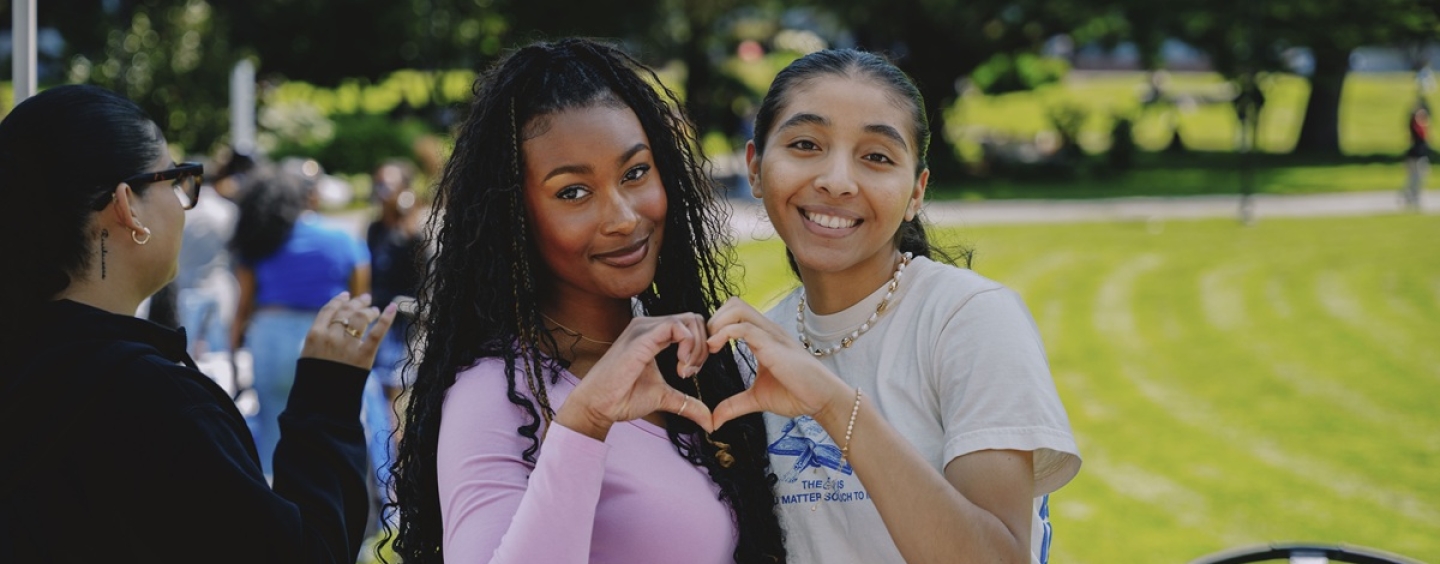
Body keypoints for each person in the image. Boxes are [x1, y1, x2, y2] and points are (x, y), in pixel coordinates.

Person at [387, 38, 785, 564]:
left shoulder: (698, 362)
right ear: (517, 216)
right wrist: (585, 422)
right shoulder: (494, 395)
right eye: (573, 192)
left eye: (635, 173)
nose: (622, 216)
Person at [703, 49, 1082, 564]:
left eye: (877, 156)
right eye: (806, 144)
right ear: (755, 167)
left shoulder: (968, 319)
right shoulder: (756, 350)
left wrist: (832, 404)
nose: (837, 180)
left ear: (916, 192)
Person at [0, 84, 397, 562]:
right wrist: (327, 400)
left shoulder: (30, 361)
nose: (182, 202)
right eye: (175, 180)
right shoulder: (154, 399)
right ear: (127, 206)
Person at [231, 165, 372, 477]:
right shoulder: (343, 237)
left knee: (271, 430)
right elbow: (361, 302)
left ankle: (274, 514)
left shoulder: (261, 239)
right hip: (328, 336)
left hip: (270, 335)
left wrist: (233, 346)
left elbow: (244, 303)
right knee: (336, 426)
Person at [1403, 103, 1430, 210]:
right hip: (1416, 156)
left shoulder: (1421, 127)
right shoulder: (1415, 126)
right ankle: (1412, 197)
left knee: (1416, 177)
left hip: (1419, 155)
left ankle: (1409, 195)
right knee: (1416, 177)